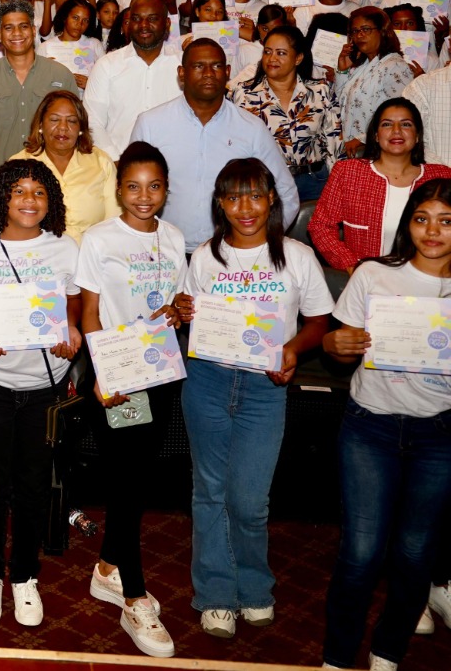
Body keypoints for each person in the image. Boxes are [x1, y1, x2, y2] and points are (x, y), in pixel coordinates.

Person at [181, 158, 333, 640]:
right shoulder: (206, 256)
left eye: (254, 195)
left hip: (265, 389)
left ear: (271, 199)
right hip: (207, 380)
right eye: (232, 197)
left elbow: (318, 322)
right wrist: (181, 310)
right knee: (209, 492)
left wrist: (293, 348)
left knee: (249, 499)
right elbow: (186, 312)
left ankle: (254, 584)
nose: (244, 207)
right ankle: (216, 595)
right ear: (219, 204)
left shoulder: (296, 255)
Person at [321, 178, 451, 671]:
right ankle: (336, 658)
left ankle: (387, 652)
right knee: (360, 553)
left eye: (445, 221)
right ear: (408, 225)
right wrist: (337, 346)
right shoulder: (373, 274)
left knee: (417, 553)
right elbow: (335, 344)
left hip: (438, 434)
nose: (432, 231)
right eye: (422, 219)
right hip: (369, 427)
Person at [73, 142, 190, 658]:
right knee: (127, 484)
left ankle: (105, 570)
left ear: (166, 189)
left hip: (162, 375)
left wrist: (180, 309)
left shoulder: (175, 237)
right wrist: (103, 372)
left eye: (155, 186)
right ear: (118, 188)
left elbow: (171, 308)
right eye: (133, 186)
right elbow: (90, 315)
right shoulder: (99, 240)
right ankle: (135, 596)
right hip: (118, 378)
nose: (145, 197)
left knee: (135, 477)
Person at [0, 159, 83, 629]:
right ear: (1, 200)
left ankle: (25, 576)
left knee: (34, 485)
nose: (29, 201)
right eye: (19, 192)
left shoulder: (66, 249)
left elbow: (73, 305)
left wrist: (70, 330)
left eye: (39, 193)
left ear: (50, 202)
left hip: (45, 385)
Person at [130, 40, 299, 253]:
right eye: (199, 66)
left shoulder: (251, 128)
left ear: (228, 72)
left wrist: (258, 245)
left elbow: (285, 192)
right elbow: (131, 192)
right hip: (164, 251)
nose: (209, 73)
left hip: (231, 255)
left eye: (217, 66)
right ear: (182, 73)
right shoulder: (150, 124)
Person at [309, 98, 451, 271]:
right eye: (387, 124)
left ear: (418, 135)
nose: (396, 131)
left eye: (406, 125)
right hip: (366, 282)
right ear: (376, 135)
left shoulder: (441, 176)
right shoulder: (349, 172)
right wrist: (352, 266)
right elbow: (320, 226)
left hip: (428, 282)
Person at [231, 24, 341, 202]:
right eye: (267, 52)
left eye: (281, 53)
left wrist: (339, 187)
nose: (272, 58)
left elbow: (334, 144)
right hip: (267, 184)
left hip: (315, 182)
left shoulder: (320, 91)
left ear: (298, 58)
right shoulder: (244, 94)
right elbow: (236, 145)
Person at [0, 0, 78, 168]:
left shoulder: (61, 75)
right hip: (0, 177)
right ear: (0, 35)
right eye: (8, 28)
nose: (16, 33)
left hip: (51, 177)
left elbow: (73, 132)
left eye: (23, 26)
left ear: (33, 31)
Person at [8, 91, 118, 241]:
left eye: (72, 121)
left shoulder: (101, 162)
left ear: (81, 128)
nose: (63, 128)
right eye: (54, 119)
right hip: (37, 257)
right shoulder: (19, 163)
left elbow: (114, 222)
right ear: (40, 124)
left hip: (91, 255)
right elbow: (8, 221)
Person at [84, 0, 181, 159]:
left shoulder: (183, 63)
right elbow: (92, 122)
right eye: (136, 19)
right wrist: (116, 161)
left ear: (166, 24)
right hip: (117, 165)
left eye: (152, 19)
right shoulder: (107, 65)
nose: (143, 25)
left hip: (175, 166)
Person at [335, 7, 419, 155]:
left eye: (366, 29)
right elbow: (340, 103)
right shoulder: (363, 65)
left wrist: (362, 139)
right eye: (355, 31)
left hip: (376, 149)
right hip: (351, 150)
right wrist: (342, 70)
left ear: (382, 31)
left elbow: (398, 114)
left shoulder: (395, 65)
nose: (359, 35)